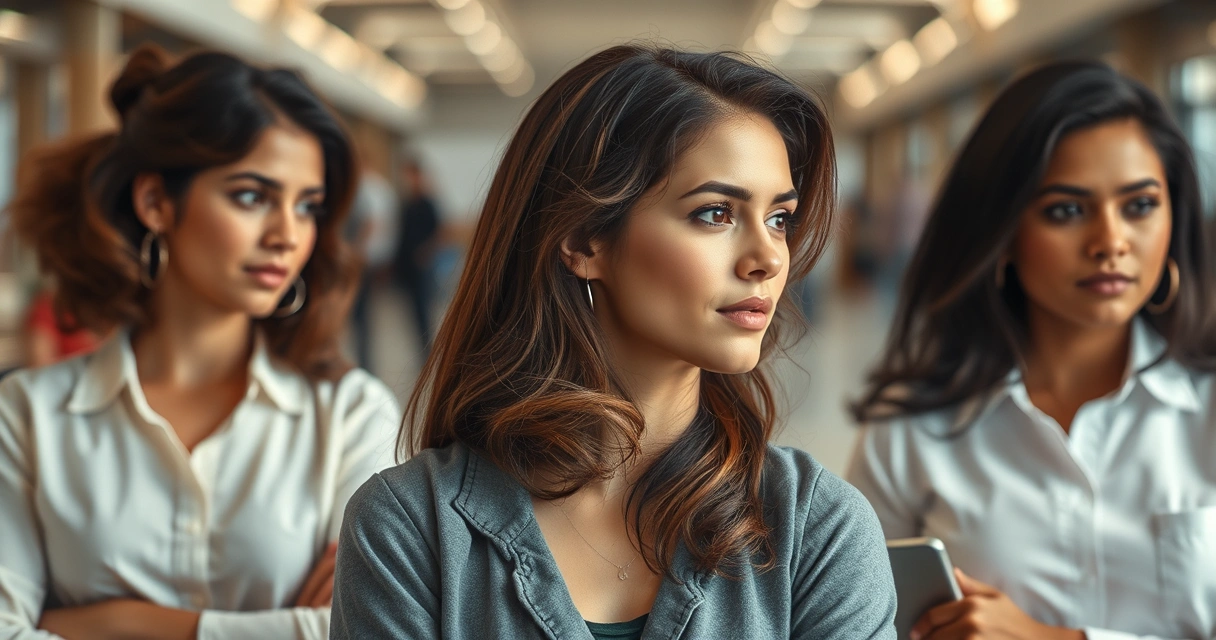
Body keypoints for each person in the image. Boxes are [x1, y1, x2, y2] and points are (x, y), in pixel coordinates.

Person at [330, 45, 897, 639]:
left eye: (779, 218)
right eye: (715, 213)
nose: (767, 258)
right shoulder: (408, 528)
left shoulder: (818, 530)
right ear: (583, 239)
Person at [0, 44, 399, 639]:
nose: (288, 235)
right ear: (157, 202)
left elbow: (363, 632)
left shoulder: (351, 415)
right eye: (252, 196)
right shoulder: (29, 417)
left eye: (307, 206)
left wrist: (115, 623)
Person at [848, 61, 1216, 640]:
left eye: (1140, 205)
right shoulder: (912, 425)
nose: (1111, 242)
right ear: (1003, 234)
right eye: (1065, 210)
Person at [346, 164, 398, 369]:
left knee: (361, 318)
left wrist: (356, 250)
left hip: (360, 261)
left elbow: (371, 223)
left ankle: (365, 364)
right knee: (359, 318)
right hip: (362, 259)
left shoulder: (365, 189)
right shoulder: (368, 188)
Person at [391, 158, 440, 352]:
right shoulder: (407, 203)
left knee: (423, 313)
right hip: (407, 266)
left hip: (421, 267)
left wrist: (425, 254)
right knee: (412, 315)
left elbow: (438, 232)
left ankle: (427, 352)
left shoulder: (427, 202)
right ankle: (422, 351)